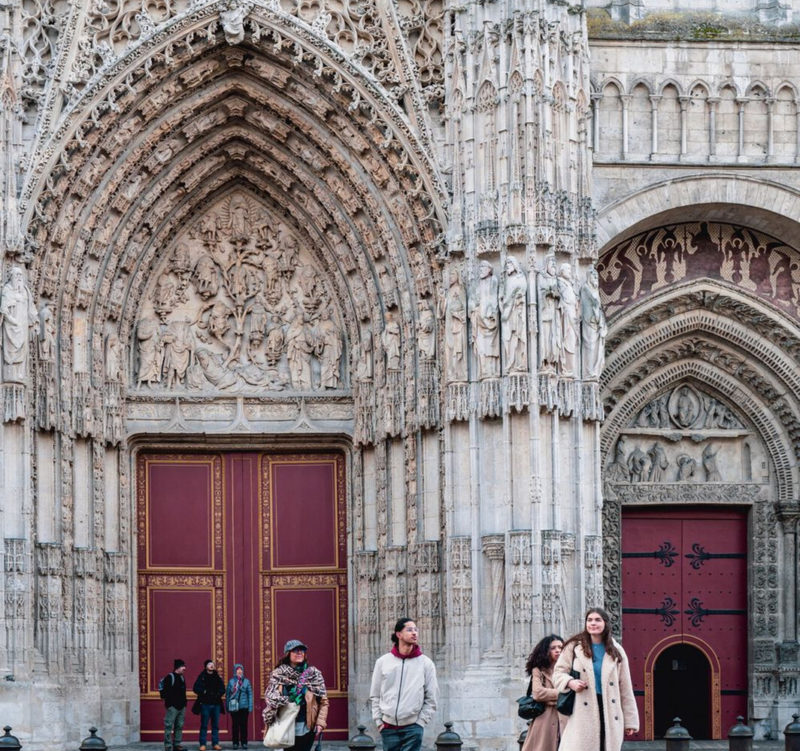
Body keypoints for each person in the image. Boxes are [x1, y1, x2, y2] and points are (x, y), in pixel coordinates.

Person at [553, 608, 638, 751]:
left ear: (605, 623)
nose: (593, 623)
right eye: (589, 620)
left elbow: (625, 687)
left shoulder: (616, 650)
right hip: (582, 709)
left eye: (598, 620)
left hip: (609, 709)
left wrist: (630, 721)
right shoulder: (574, 647)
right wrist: (570, 682)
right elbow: (558, 673)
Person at [370, 618, 439, 751]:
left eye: (415, 630)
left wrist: (420, 723)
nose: (414, 633)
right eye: (409, 630)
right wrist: (379, 721)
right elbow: (375, 694)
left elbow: (432, 698)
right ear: (398, 634)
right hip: (388, 728)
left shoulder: (426, 664)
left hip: (412, 727)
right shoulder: (383, 662)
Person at [263, 639, 329, 751]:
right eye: (296, 650)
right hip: (284, 725)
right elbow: (270, 699)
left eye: (302, 650)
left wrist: (320, 723)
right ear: (288, 654)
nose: (300, 653)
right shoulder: (278, 674)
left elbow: (323, 702)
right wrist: (284, 700)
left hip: (307, 726)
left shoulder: (314, 674)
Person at [521, 635, 566, 751]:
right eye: (553, 648)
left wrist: (550, 698)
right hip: (544, 720)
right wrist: (563, 694)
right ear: (546, 651)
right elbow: (537, 693)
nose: (558, 650)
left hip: (566, 719)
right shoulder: (538, 670)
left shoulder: (569, 670)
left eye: (560, 647)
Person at [193, 659, 226, 751]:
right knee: (204, 725)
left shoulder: (217, 676)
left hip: (216, 704)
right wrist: (204, 692)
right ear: (206, 666)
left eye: (213, 664)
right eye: (209, 664)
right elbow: (195, 688)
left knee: (215, 725)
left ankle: (215, 743)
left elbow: (222, 688)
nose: (212, 665)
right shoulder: (202, 676)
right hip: (205, 704)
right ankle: (202, 744)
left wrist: (218, 694)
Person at [226, 663, 253, 749]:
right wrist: (227, 706)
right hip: (234, 707)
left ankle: (244, 742)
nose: (239, 671)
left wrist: (250, 706)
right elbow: (228, 695)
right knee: (235, 725)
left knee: (244, 725)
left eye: (241, 670)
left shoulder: (246, 681)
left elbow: (250, 694)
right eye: (238, 670)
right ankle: (235, 743)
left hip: (244, 707)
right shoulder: (231, 682)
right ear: (235, 671)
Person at [162, 658, 187, 751]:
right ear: (177, 667)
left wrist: (184, 704)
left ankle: (177, 744)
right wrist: (170, 704)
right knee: (168, 726)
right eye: (183, 666)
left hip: (181, 707)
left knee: (179, 726)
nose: (184, 668)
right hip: (172, 707)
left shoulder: (182, 677)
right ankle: (168, 746)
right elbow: (165, 692)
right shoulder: (170, 677)